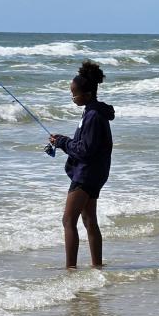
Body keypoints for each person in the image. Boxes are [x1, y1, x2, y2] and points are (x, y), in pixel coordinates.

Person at [49, 61, 115, 268]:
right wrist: (63, 140)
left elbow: (85, 151)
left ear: (86, 94)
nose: (72, 97)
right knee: (89, 221)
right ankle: (97, 266)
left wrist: (62, 143)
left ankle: (70, 269)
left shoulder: (93, 116)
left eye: (74, 94)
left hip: (86, 175)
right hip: (94, 173)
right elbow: (84, 144)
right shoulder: (92, 111)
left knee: (68, 221)